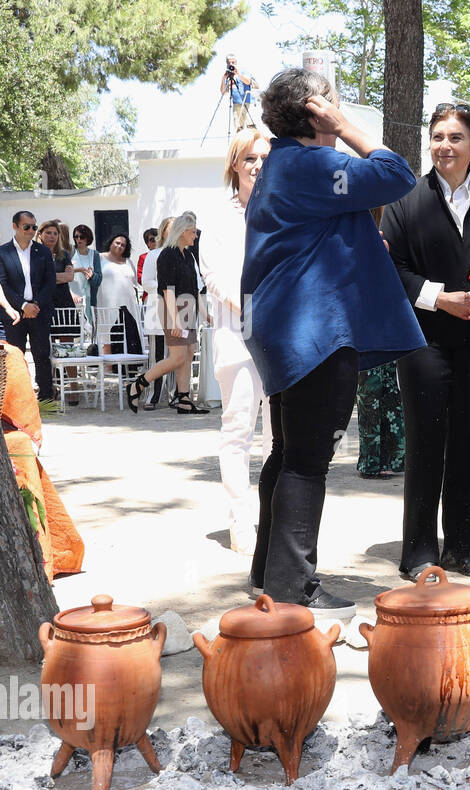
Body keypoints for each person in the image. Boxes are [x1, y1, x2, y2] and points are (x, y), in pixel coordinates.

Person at [241, 68, 423, 618]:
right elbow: (396, 173)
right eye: (332, 106)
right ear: (317, 111)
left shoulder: (282, 166)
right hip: (313, 331)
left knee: (289, 451)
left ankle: (267, 573)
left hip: (284, 329)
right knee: (307, 460)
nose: (339, 112)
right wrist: (346, 127)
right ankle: (294, 586)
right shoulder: (314, 162)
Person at [381, 102, 470, 579]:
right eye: (438, 136)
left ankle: (467, 546)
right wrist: (442, 299)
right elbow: (391, 269)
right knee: (426, 440)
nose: (445, 145)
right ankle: (420, 550)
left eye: (456, 137)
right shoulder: (405, 201)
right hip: (422, 338)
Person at [200, 126, 273, 554]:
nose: (258, 165)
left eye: (264, 157)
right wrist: (254, 307)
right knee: (239, 430)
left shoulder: (283, 210)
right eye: (250, 158)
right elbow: (216, 276)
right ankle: (241, 521)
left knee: (278, 436)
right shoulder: (219, 215)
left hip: (283, 339)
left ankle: (275, 519)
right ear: (235, 164)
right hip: (238, 336)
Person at [126, 212, 209, 415]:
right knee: (177, 356)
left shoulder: (187, 254)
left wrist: (205, 313)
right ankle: (138, 384)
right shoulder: (167, 255)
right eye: (192, 232)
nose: (195, 236)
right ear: (182, 232)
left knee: (188, 355)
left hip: (188, 308)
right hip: (172, 308)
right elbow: (167, 290)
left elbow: (195, 286)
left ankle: (184, 399)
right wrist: (174, 320)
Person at [0, 211, 56, 400]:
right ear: (15, 226)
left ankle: (45, 398)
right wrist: (22, 305)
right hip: (14, 315)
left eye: (34, 227)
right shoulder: (1, 252)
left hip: (39, 312)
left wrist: (35, 305)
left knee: (42, 356)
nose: (31, 231)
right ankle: (18, 400)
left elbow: (50, 282)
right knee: (15, 358)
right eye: (26, 227)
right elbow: (1, 285)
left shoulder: (43, 251)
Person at [137, 217, 174, 408]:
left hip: (181, 312)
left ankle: (176, 395)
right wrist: (168, 289)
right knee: (157, 356)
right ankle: (153, 395)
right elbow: (147, 283)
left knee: (179, 355)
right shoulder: (154, 255)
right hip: (158, 311)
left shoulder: (187, 254)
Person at [94, 233, 142, 354]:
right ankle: (108, 370)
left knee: (129, 335)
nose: (120, 246)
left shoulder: (128, 262)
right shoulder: (99, 258)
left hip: (128, 304)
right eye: (117, 243)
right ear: (111, 243)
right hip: (107, 303)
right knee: (108, 335)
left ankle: (128, 369)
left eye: (123, 245)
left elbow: (134, 283)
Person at [70, 224, 103, 328]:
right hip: (72, 297)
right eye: (76, 237)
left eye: (82, 237)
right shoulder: (70, 252)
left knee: (89, 328)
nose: (78, 239)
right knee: (73, 330)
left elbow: (98, 280)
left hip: (88, 298)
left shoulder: (95, 255)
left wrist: (92, 276)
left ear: (88, 238)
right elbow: (64, 274)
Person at [221, 54, 256, 132]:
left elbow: (247, 82)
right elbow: (223, 92)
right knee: (239, 129)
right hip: (236, 104)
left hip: (248, 103)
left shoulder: (243, 70)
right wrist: (223, 78)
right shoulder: (229, 75)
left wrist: (238, 74)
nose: (231, 64)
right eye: (229, 63)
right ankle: (241, 143)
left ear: (236, 62)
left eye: (233, 62)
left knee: (251, 127)